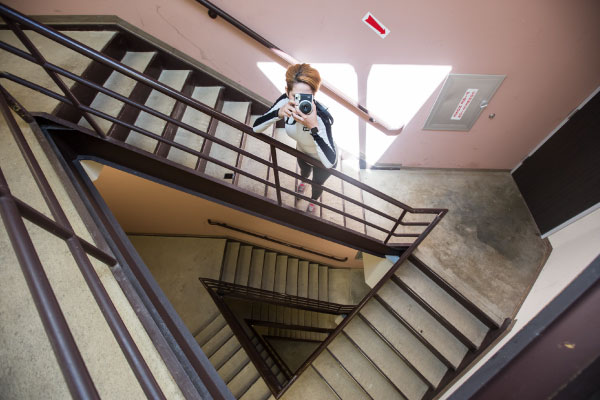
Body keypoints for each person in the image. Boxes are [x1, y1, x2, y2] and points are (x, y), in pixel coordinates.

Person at [253, 63, 337, 213]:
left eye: (307, 96)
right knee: (304, 173)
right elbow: (256, 127)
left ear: (314, 95)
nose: (300, 102)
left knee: (317, 184)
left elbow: (330, 161)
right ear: (287, 91)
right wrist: (278, 113)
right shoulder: (284, 102)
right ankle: (303, 183)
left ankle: (313, 200)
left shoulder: (321, 116)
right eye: (295, 96)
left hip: (322, 160)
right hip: (302, 153)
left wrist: (313, 127)